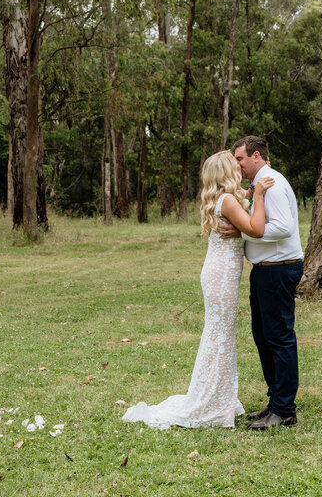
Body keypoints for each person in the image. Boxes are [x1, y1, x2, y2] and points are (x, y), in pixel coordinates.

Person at [123, 151, 273, 429]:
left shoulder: (223, 198)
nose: (240, 167)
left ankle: (219, 398)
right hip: (222, 276)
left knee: (219, 334)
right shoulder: (227, 201)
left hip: (218, 273)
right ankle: (209, 401)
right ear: (227, 173)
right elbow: (256, 228)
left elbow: (242, 203)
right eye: (235, 165)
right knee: (219, 336)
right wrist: (260, 195)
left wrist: (253, 190)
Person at [221, 135, 303, 430]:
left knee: (279, 337)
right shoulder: (259, 185)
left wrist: (242, 232)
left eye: (240, 158)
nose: (237, 164)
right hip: (265, 270)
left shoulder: (273, 184)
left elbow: (283, 228)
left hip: (279, 269)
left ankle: (285, 410)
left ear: (257, 156)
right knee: (263, 336)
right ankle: (275, 399)